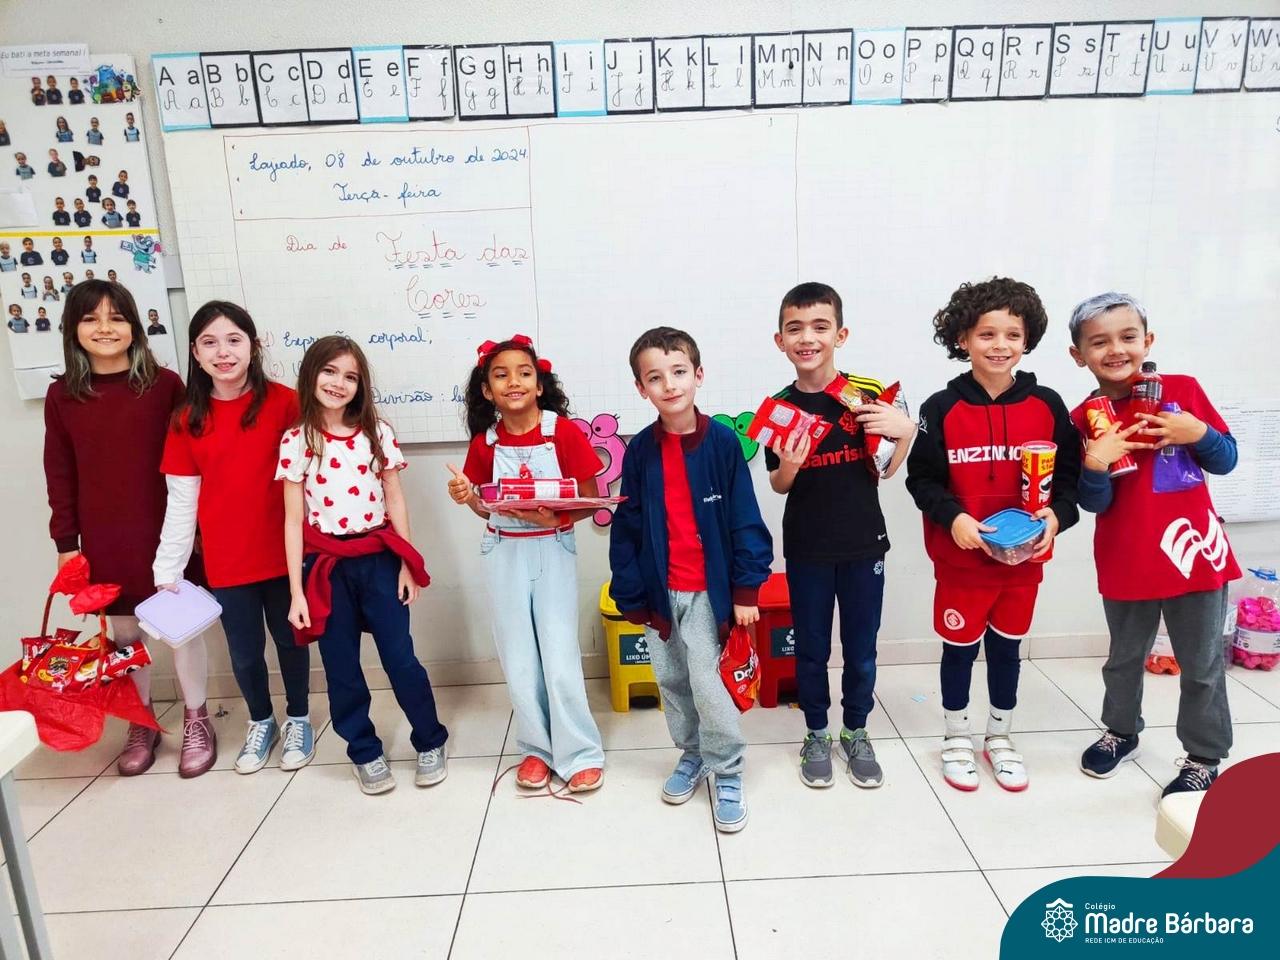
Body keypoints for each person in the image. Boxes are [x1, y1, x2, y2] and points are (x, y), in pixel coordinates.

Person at [905, 278, 1080, 793]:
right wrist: (954, 519)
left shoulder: (1048, 405)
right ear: (963, 339)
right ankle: (956, 737)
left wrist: (1056, 518)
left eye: (1012, 334)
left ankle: (999, 737)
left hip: (1024, 563)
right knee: (959, 650)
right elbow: (922, 480)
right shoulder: (940, 407)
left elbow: (1069, 481)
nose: (1000, 345)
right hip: (961, 563)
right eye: (987, 334)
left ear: (1027, 340)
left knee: (1007, 650)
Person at [1067, 293, 1240, 797]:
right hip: (1126, 555)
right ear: (1079, 355)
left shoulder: (1181, 391)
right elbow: (1093, 502)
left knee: (1202, 665)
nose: (1116, 350)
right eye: (1099, 342)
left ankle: (1204, 757)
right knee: (1123, 659)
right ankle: (1121, 732)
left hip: (1194, 553)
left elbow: (1226, 459)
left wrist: (1197, 431)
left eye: (1127, 337)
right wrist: (1096, 462)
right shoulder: (1084, 417)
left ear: (1148, 341)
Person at [609, 327, 773, 832]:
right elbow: (628, 525)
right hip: (661, 593)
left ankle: (727, 766)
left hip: (710, 593)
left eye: (679, 372)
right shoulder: (640, 450)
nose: (670, 385)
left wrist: (746, 589)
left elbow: (744, 517)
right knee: (673, 680)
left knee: (709, 684)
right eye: (655, 377)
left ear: (698, 375)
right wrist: (631, 592)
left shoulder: (722, 443)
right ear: (641, 388)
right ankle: (693, 752)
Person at [764, 282, 916, 789]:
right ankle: (815, 733)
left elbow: (885, 469)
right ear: (780, 340)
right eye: (795, 329)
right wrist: (790, 465)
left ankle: (856, 730)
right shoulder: (779, 408)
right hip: (807, 546)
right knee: (810, 647)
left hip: (863, 543)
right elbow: (779, 483)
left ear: (840, 334)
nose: (807, 338)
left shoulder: (864, 394)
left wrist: (906, 433)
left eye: (820, 326)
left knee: (861, 647)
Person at [42, 279, 195, 775]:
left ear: (135, 327)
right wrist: (67, 544)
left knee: (181, 628)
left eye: (116, 317)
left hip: (167, 531)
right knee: (125, 636)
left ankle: (197, 718)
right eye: (91, 319)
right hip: (105, 536)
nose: (105, 328)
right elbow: (59, 472)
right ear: (73, 329)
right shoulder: (62, 396)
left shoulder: (166, 386)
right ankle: (140, 720)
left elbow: (193, 463)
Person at [155, 301, 314, 777]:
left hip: (286, 554)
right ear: (195, 354)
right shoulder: (187, 419)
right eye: (209, 342)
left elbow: (315, 477)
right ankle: (261, 721)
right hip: (227, 560)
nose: (223, 352)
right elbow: (182, 500)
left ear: (253, 346)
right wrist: (167, 568)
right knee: (244, 652)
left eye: (233, 340)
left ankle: (299, 719)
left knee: (291, 641)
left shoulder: (286, 403)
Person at [282, 336, 446, 795]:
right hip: (326, 568)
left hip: (378, 561)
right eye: (330, 371)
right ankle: (364, 751)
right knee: (341, 667)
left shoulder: (377, 432)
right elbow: (293, 520)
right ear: (311, 374)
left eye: (350, 376)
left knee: (400, 658)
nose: (339, 383)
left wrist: (407, 564)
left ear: (361, 385)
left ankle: (430, 740)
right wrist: (296, 592)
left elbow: (395, 499)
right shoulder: (297, 440)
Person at [448, 334, 606, 795]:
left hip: (552, 546)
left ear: (539, 385)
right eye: (500, 375)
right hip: (504, 551)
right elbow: (484, 507)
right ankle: (536, 749)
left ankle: (579, 753)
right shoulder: (485, 443)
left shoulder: (564, 433)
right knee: (518, 657)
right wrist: (466, 496)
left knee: (559, 656)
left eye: (523, 373)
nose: (513, 381)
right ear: (487, 390)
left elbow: (592, 499)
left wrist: (557, 517)